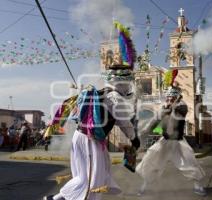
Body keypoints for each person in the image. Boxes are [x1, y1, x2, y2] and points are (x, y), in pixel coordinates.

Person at [43, 21, 140, 200]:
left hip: (85, 138)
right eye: (129, 82)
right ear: (124, 82)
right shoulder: (115, 98)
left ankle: (56, 198)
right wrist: (135, 139)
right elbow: (125, 123)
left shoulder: (100, 92)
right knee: (92, 180)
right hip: (90, 140)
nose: (129, 87)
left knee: (93, 174)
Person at [136, 82, 206, 196]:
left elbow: (179, 113)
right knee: (151, 161)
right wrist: (144, 130)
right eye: (168, 97)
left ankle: (197, 186)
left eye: (172, 98)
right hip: (164, 142)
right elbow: (154, 122)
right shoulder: (163, 109)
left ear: (176, 98)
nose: (169, 99)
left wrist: (171, 107)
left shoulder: (182, 107)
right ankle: (144, 187)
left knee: (188, 164)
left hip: (178, 143)